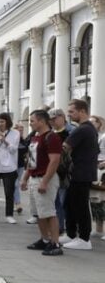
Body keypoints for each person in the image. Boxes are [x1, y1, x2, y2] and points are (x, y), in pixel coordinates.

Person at [22, 110, 63, 256]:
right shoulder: (35, 137)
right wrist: (25, 178)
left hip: (46, 179)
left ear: (42, 121)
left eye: (32, 120)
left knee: (49, 212)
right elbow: (31, 161)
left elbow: (54, 160)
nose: (30, 123)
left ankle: (55, 243)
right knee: (39, 213)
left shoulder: (51, 137)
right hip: (34, 177)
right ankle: (45, 240)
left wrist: (45, 181)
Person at [60, 99, 99, 250]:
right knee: (70, 204)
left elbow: (65, 147)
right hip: (80, 172)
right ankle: (71, 234)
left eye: (71, 112)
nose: (69, 115)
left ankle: (84, 239)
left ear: (82, 111)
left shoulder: (83, 129)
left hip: (82, 173)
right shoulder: (87, 128)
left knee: (80, 206)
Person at [49, 108, 75, 234]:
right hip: (55, 170)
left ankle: (63, 227)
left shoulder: (71, 131)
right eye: (50, 120)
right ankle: (59, 226)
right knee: (56, 200)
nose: (52, 122)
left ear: (62, 117)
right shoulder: (52, 132)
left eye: (54, 119)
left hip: (66, 171)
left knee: (63, 199)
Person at [13, 122, 30, 214]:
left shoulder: (24, 141)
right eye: (19, 130)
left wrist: (28, 164)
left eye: (22, 130)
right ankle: (18, 204)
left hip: (20, 165)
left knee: (15, 184)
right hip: (12, 166)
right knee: (15, 184)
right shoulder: (12, 140)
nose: (21, 131)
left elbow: (27, 153)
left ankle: (14, 203)